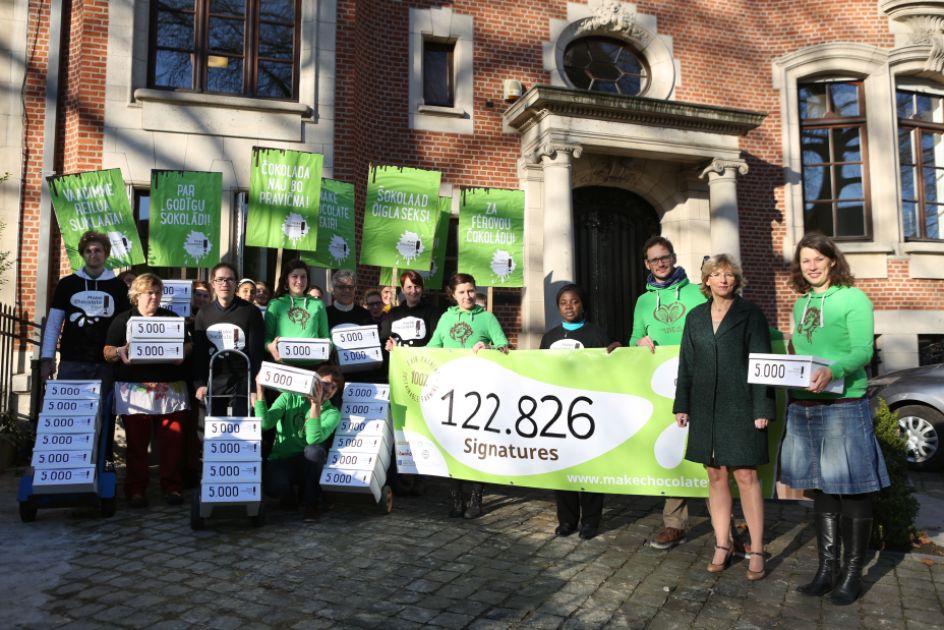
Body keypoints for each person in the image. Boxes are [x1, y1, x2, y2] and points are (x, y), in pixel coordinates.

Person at [780, 233, 889, 606]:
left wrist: (834, 369)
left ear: (831, 261)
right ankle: (827, 570)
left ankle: (852, 575)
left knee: (852, 487)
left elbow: (862, 350)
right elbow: (802, 349)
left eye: (818, 259)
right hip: (807, 405)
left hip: (845, 403)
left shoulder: (853, 298)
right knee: (822, 488)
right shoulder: (800, 304)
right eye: (805, 260)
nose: (811, 266)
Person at [673, 255, 774, 580]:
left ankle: (756, 549)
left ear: (736, 279)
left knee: (746, 475)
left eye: (729, 274)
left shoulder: (750, 314)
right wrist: (682, 403)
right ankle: (722, 543)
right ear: (706, 281)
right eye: (716, 274)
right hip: (705, 407)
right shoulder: (695, 317)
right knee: (716, 475)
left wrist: (763, 407)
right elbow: (686, 363)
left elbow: (762, 361)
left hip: (742, 406)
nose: (724, 279)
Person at [629, 235, 707, 550]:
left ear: (673, 257)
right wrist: (639, 342)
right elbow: (635, 334)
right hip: (662, 387)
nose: (661, 263)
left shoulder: (696, 293)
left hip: (700, 380)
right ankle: (674, 523)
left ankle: (728, 523)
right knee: (673, 449)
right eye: (654, 259)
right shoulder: (644, 301)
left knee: (713, 451)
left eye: (665, 257)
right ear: (647, 264)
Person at [104, 273, 192, 507]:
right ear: (136, 295)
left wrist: (183, 353)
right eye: (148, 292)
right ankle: (135, 489)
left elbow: (188, 343)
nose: (153, 297)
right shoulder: (123, 320)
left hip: (169, 390)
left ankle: (172, 487)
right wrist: (119, 352)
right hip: (135, 392)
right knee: (136, 445)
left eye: (157, 292)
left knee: (172, 444)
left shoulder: (172, 318)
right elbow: (107, 350)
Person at [540, 283, 618, 540]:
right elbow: (538, 371)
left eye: (574, 302)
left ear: (582, 304)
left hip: (589, 412)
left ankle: (590, 520)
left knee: (591, 466)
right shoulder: (549, 338)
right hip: (559, 413)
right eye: (564, 302)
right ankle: (567, 520)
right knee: (564, 467)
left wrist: (619, 353)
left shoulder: (596, 334)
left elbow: (610, 368)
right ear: (558, 307)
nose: (569, 307)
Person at [428, 273, 509, 519]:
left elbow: (505, 348)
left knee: (477, 446)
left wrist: (490, 348)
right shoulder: (445, 318)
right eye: (462, 292)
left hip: (480, 394)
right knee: (453, 445)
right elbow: (432, 349)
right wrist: (400, 351)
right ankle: (456, 499)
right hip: (451, 393)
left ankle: (476, 498)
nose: (468, 296)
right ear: (452, 295)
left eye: (471, 290)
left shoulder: (487, 318)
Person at [40, 231, 131, 394]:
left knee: (102, 417)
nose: (93, 254)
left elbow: (126, 327)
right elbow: (54, 324)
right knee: (69, 414)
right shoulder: (67, 284)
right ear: (82, 254)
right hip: (71, 363)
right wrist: (47, 359)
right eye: (88, 251)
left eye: (98, 250)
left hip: (106, 365)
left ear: (106, 254)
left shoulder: (119, 287)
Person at [255, 364, 343, 522]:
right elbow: (265, 424)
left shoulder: (332, 413)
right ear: (313, 382)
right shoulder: (289, 397)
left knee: (314, 451)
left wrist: (316, 405)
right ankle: (290, 497)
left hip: (308, 463)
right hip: (282, 459)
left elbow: (313, 439)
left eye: (333, 387)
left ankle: (311, 506)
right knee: (273, 488)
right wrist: (260, 390)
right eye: (324, 384)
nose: (328, 389)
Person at [192, 263, 265, 417]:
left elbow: (256, 353)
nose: (225, 284)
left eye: (229, 280)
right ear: (213, 284)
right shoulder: (203, 313)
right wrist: (200, 384)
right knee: (211, 435)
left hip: (243, 381)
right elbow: (199, 353)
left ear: (236, 284)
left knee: (242, 431)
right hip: (213, 382)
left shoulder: (251, 312)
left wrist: (254, 389)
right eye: (220, 280)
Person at [265, 259, 330, 362]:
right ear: (286, 279)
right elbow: (267, 339)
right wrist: (270, 347)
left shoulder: (318, 304)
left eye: (303, 277)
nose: (299, 281)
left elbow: (326, 338)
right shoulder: (275, 304)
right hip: (284, 366)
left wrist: (327, 350)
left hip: (313, 366)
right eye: (294, 276)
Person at [383, 270, 441, 350]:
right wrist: (389, 345)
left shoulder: (432, 312)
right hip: (397, 361)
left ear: (422, 289)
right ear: (402, 290)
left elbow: (435, 342)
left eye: (417, 287)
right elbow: (385, 339)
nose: (413, 291)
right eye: (409, 287)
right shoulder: (393, 314)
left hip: (422, 361)